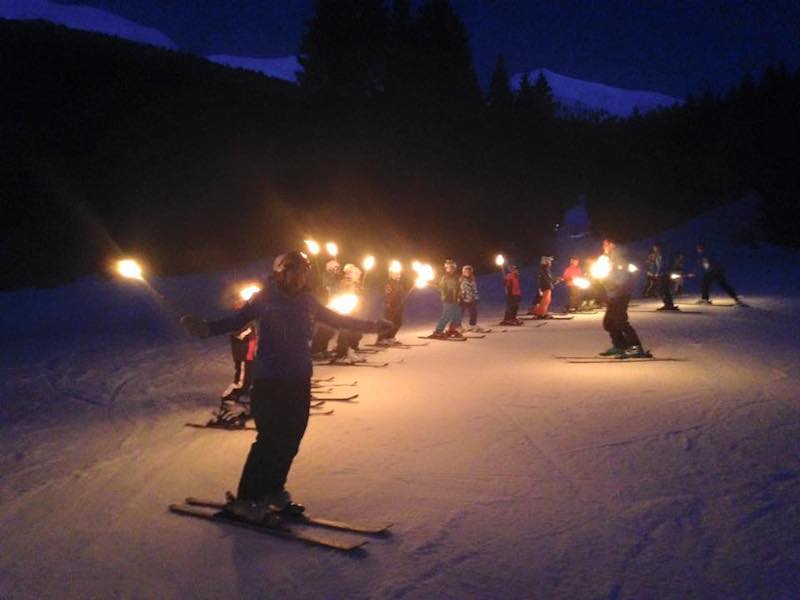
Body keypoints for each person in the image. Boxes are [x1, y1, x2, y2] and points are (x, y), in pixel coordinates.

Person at [181, 251, 391, 521]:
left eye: (304, 272)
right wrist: (205, 328)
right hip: (270, 381)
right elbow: (235, 321)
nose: (300, 277)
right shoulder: (265, 299)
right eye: (295, 271)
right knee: (269, 440)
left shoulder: (307, 301)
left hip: (299, 380)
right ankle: (247, 498)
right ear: (281, 273)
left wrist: (373, 326)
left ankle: (272, 490)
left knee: (292, 438)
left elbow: (338, 319)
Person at [600, 246, 650, 357]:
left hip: (621, 296)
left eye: (607, 246)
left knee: (620, 322)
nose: (605, 249)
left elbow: (622, 281)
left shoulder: (621, 263)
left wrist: (608, 281)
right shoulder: (610, 263)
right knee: (608, 323)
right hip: (613, 297)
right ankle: (620, 346)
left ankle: (636, 347)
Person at [430, 259, 465, 338]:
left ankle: (452, 330)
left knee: (458, 316)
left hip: (456, 299)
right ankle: (438, 331)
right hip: (448, 299)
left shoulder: (456, 277)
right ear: (446, 268)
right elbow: (441, 287)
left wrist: (461, 294)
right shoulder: (444, 277)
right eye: (449, 267)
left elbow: (459, 287)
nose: (451, 269)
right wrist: (435, 285)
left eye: (452, 267)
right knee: (446, 315)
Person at [376, 264, 407, 345]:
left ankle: (390, 337)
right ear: (391, 274)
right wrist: (388, 303)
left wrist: (402, 303)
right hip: (391, 306)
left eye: (399, 273)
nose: (398, 275)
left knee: (398, 323)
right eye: (396, 273)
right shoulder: (388, 283)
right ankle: (381, 339)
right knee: (388, 322)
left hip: (399, 306)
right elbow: (387, 294)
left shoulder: (399, 283)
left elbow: (401, 294)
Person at [459, 265, 482, 332]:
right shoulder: (461, 280)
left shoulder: (472, 280)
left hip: (471, 299)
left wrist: (476, 297)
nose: (467, 273)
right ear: (463, 272)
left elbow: (475, 290)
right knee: (460, 313)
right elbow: (458, 289)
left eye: (469, 271)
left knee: (474, 312)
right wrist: (460, 296)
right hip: (463, 299)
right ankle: (457, 326)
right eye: (466, 271)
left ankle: (472, 325)